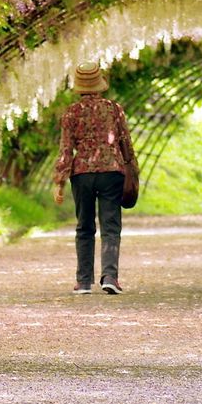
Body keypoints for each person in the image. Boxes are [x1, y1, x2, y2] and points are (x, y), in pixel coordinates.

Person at [53, 62, 136, 295]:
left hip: (82, 174)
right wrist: (132, 170)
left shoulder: (71, 112)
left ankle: (84, 281)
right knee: (110, 226)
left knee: (84, 227)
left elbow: (66, 149)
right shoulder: (113, 109)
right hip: (112, 172)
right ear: (100, 85)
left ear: (79, 86)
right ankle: (110, 276)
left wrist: (59, 180)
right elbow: (125, 143)